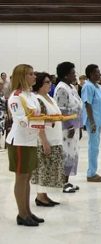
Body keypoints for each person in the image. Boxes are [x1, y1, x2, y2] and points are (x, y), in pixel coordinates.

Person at [6, 64, 47, 226]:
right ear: (22, 76)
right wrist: (41, 122)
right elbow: (21, 120)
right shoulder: (16, 97)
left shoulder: (30, 95)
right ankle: (21, 214)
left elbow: (36, 115)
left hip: (30, 140)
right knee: (21, 177)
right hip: (20, 142)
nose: (34, 77)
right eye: (31, 74)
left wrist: (44, 120)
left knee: (28, 177)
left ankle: (28, 211)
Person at [30, 72, 66, 207]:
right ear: (39, 84)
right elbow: (38, 121)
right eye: (46, 82)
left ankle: (44, 194)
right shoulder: (38, 100)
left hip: (55, 137)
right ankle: (40, 196)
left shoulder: (50, 98)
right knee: (43, 168)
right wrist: (44, 141)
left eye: (50, 82)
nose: (50, 84)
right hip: (46, 139)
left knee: (50, 169)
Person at [54, 61, 83, 193]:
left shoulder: (70, 87)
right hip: (66, 128)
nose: (75, 75)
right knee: (66, 153)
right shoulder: (61, 88)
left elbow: (77, 105)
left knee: (72, 154)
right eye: (72, 73)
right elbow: (61, 110)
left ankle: (66, 180)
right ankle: (62, 182)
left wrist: (79, 126)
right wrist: (70, 127)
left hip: (74, 125)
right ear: (66, 75)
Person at [82, 64, 101, 182]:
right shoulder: (88, 86)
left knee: (96, 147)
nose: (100, 74)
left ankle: (93, 171)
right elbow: (88, 104)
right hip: (93, 121)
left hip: (98, 121)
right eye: (97, 72)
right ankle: (91, 173)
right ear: (91, 74)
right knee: (93, 147)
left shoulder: (98, 86)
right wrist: (92, 122)